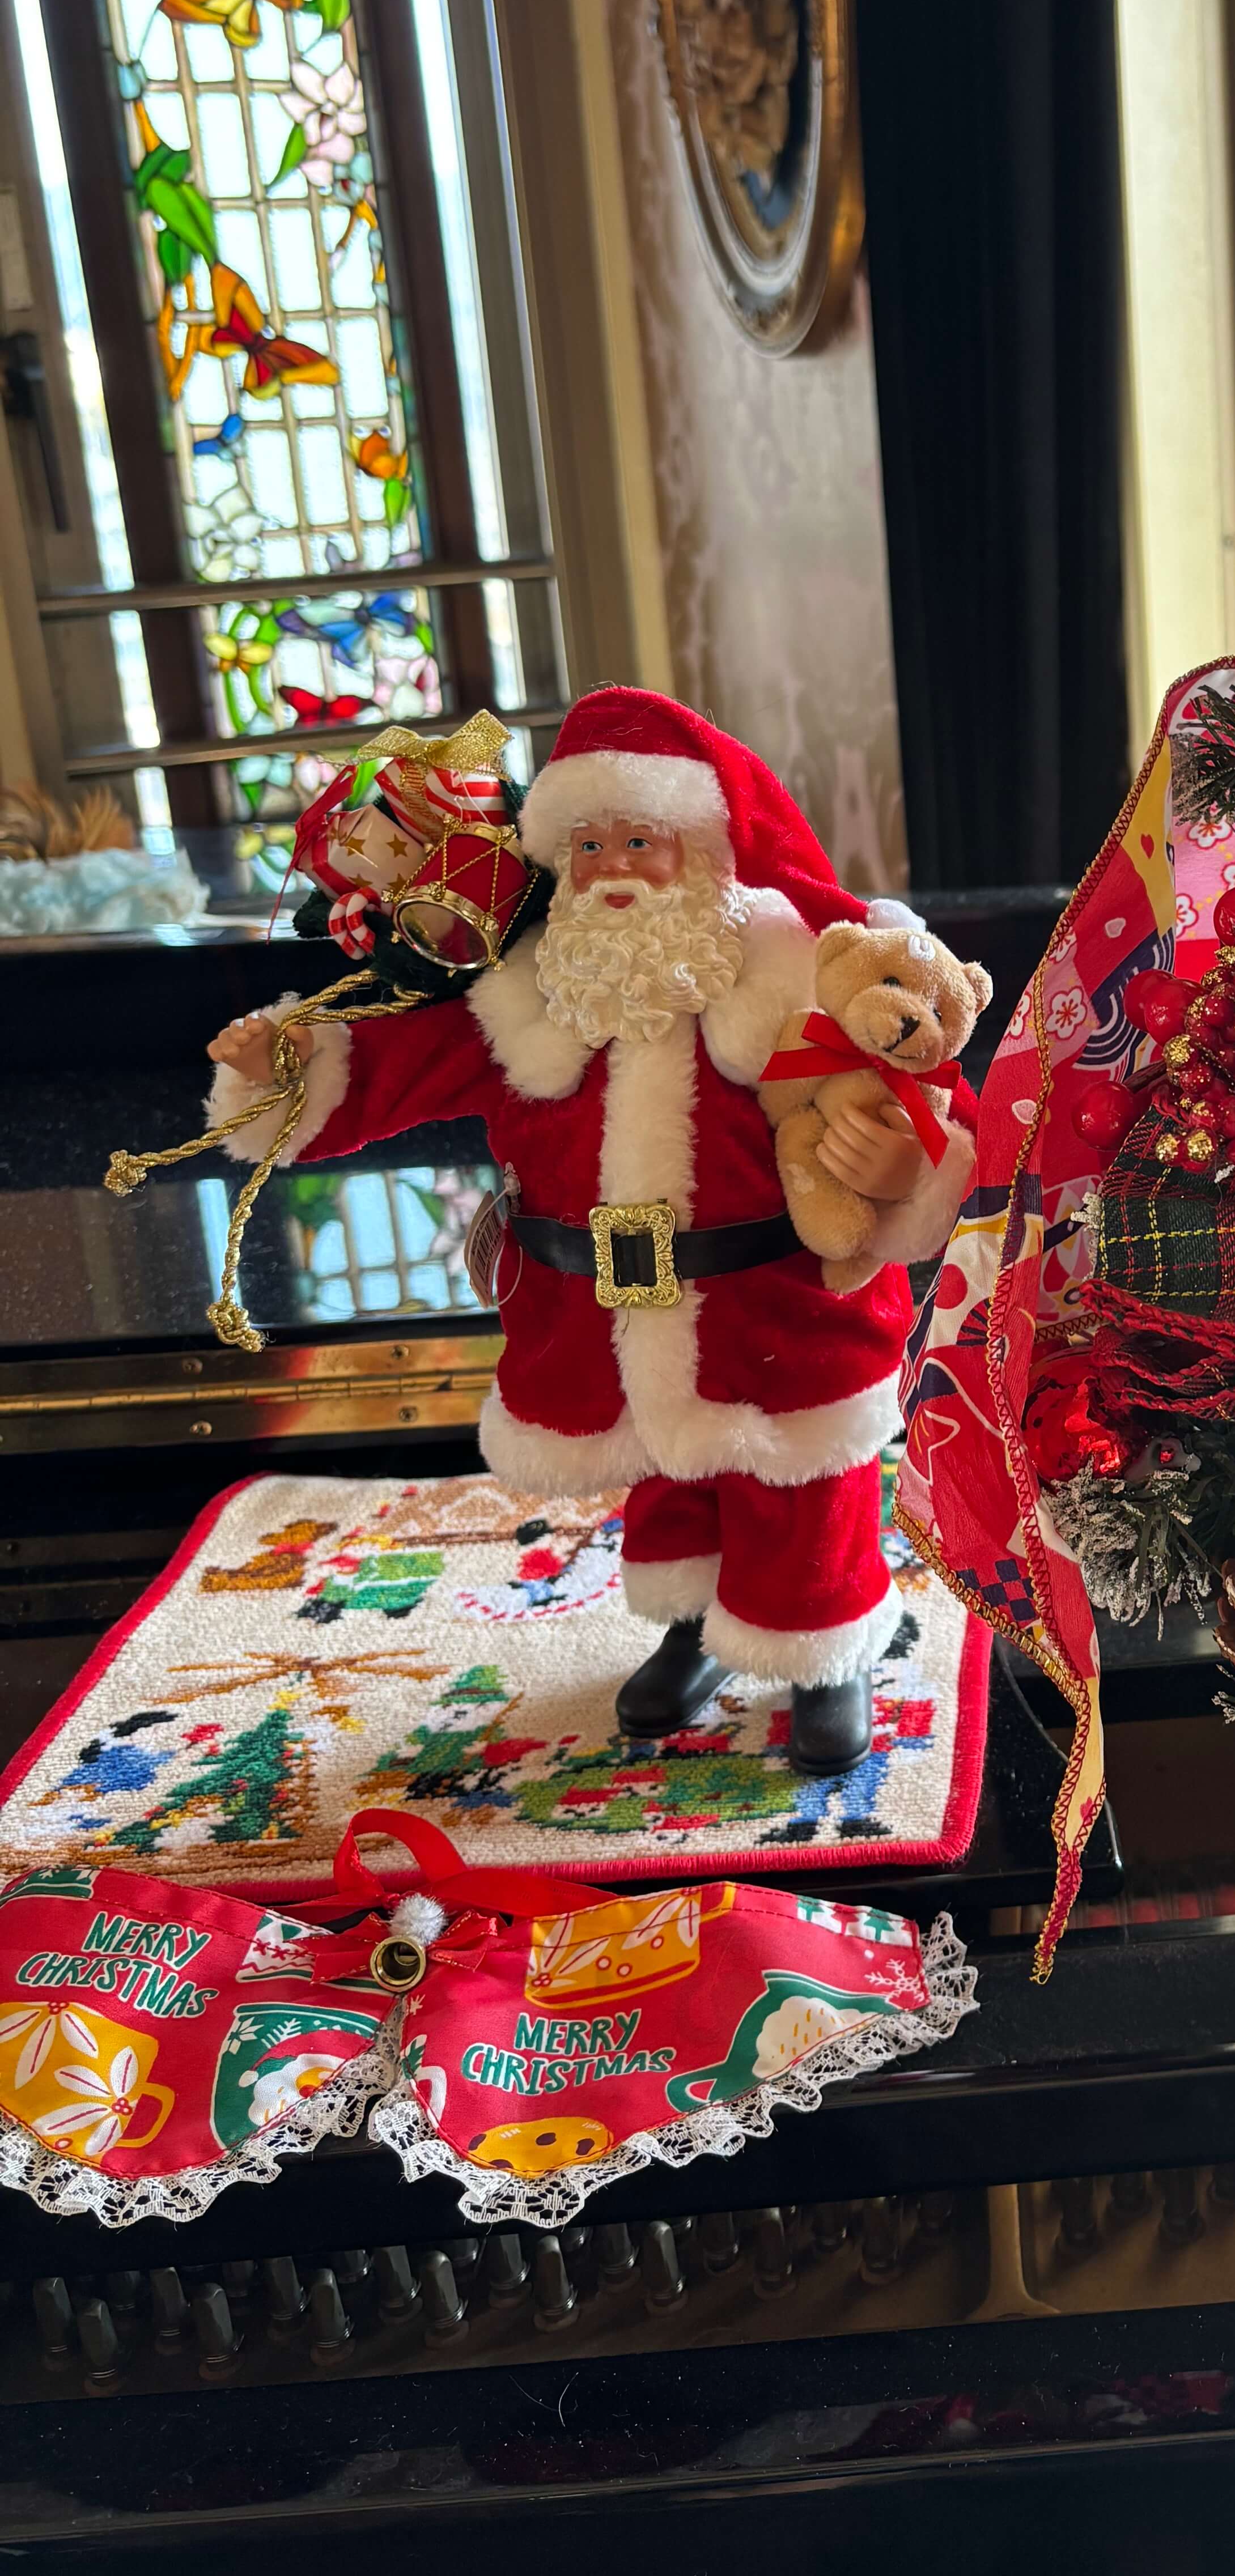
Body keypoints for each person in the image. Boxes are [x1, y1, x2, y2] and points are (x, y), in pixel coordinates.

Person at [203, 689, 975, 1775]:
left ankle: (823, 1655)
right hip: (605, 1318)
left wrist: (905, 1172)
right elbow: (392, 1069)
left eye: (641, 841)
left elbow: (928, 1093)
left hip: (782, 1315)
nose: (615, 868)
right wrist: (283, 1066)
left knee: (803, 1498)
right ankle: (692, 1625)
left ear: (705, 846)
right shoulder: (531, 993)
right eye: (590, 844)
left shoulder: (797, 971)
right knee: (671, 1485)